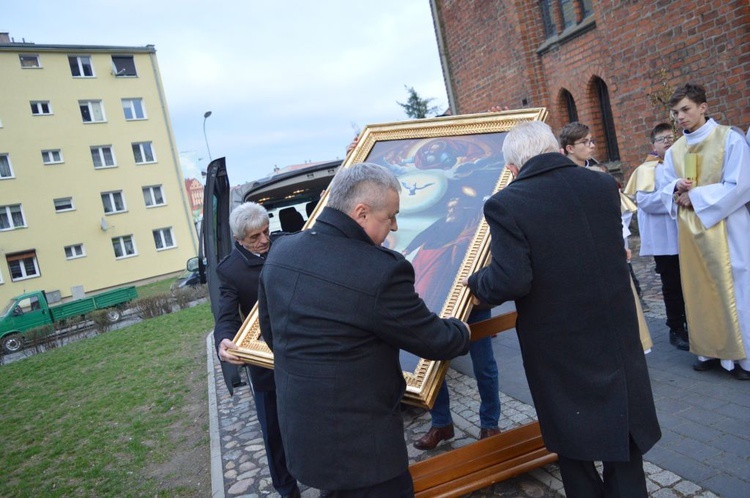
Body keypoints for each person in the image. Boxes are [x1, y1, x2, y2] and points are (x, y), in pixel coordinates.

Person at [466, 121, 661, 497]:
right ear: (556, 150)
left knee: (575, 448)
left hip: (559, 346)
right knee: (624, 441)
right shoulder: (602, 185)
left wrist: (475, 284)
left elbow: (511, 280)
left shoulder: (507, 203)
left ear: (512, 169)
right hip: (615, 333)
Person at [257, 162, 471, 497]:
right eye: (390, 216)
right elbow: (435, 339)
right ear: (361, 212)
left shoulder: (282, 252)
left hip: (305, 435)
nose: (395, 226)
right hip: (364, 449)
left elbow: (272, 335)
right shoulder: (378, 271)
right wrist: (463, 327)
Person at [659, 82, 750, 380]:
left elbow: (741, 185)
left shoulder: (729, 139)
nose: (680, 117)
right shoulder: (675, 150)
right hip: (690, 232)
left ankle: (742, 358)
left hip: (728, 229)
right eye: (675, 113)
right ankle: (709, 351)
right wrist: (675, 189)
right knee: (698, 289)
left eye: (685, 109)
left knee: (736, 288)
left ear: (703, 107)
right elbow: (664, 186)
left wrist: (695, 197)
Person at [213, 202, 300, 498]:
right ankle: (287, 489)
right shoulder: (230, 271)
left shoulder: (286, 245)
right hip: (265, 362)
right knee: (274, 432)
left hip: (303, 351)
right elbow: (225, 316)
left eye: (265, 231)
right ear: (239, 240)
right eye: (254, 237)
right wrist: (224, 341)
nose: (264, 240)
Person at [624, 123, 689, 350]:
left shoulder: (680, 162)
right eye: (662, 139)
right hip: (664, 239)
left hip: (686, 234)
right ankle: (676, 328)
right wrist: (675, 195)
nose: (668, 141)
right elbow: (644, 202)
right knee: (672, 286)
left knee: (690, 284)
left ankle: (693, 325)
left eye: (671, 137)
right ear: (653, 145)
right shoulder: (646, 170)